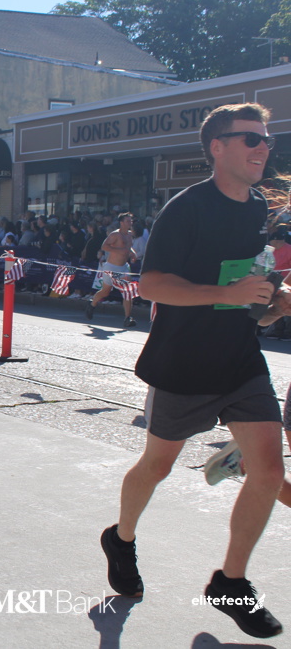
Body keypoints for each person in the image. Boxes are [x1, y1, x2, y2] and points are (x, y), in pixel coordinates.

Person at [101, 102, 288, 639]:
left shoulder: (261, 208)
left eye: (267, 139)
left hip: (241, 359)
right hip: (183, 362)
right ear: (217, 147)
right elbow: (152, 284)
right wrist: (225, 294)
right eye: (250, 138)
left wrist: (273, 303)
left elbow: (249, 289)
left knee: (268, 470)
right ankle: (121, 538)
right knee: (156, 466)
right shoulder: (187, 208)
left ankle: (231, 581)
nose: (262, 148)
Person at [85, 212, 138, 327]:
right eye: (128, 221)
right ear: (121, 222)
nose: (130, 223)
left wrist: (132, 253)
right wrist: (119, 251)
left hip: (124, 267)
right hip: (111, 267)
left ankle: (127, 318)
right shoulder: (115, 235)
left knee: (127, 291)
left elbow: (128, 248)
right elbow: (104, 246)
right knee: (106, 291)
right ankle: (92, 304)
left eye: (131, 221)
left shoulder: (129, 234)